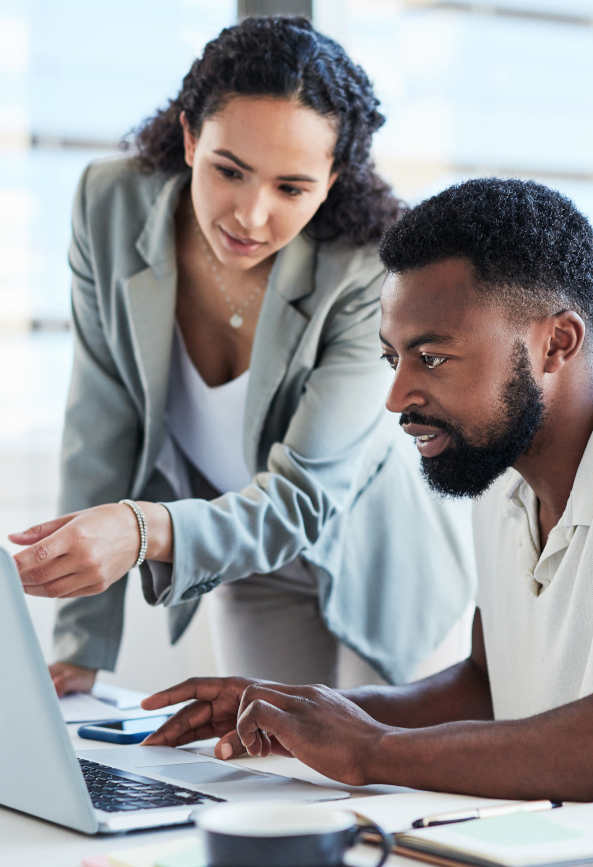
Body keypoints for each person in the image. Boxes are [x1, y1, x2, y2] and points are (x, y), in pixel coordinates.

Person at [10, 16, 474, 696]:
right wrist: (82, 643)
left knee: (376, 785)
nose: (251, 217)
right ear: (190, 134)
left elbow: (303, 496)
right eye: (230, 170)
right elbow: (100, 421)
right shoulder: (109, 204)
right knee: (267, 768)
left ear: (333, 176)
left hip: (381, 563)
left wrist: (142, 529)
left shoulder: (369, 270)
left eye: (291, 188)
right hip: (240, 552)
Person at [139, 178, 593, 802]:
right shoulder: (497, 469)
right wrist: (310, 715)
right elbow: (491, 686)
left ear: (556, 344)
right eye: (392, 359)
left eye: (431, 358)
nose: (396, 397)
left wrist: (372, 750)